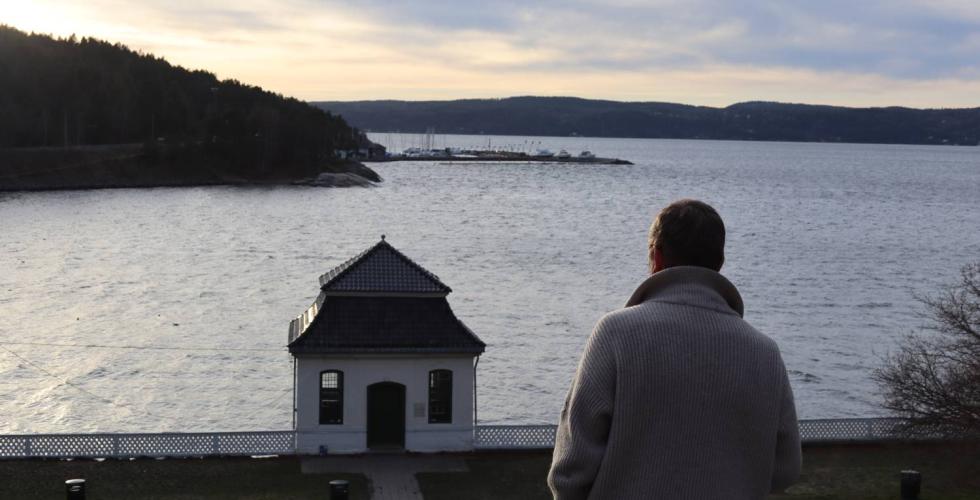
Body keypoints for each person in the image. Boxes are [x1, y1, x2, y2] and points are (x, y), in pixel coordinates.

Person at [547, 199, 801, 499]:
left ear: (656, 256)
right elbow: (785, 468)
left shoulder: (615, 334)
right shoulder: (765, 353)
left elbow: (572, 468)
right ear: (719, 262)